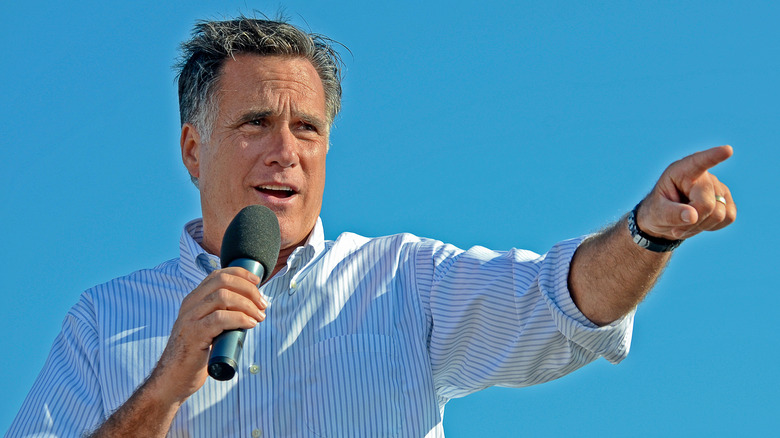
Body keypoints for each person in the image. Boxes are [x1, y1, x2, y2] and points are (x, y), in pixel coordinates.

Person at [6, 16, 736, 438]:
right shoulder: (102, 324)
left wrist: (648, 232)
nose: (285, 151)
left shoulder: (405, 281)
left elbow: (561, 300)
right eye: (256, 122)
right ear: (194, 148)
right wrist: (162, 390)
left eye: (308, 128)